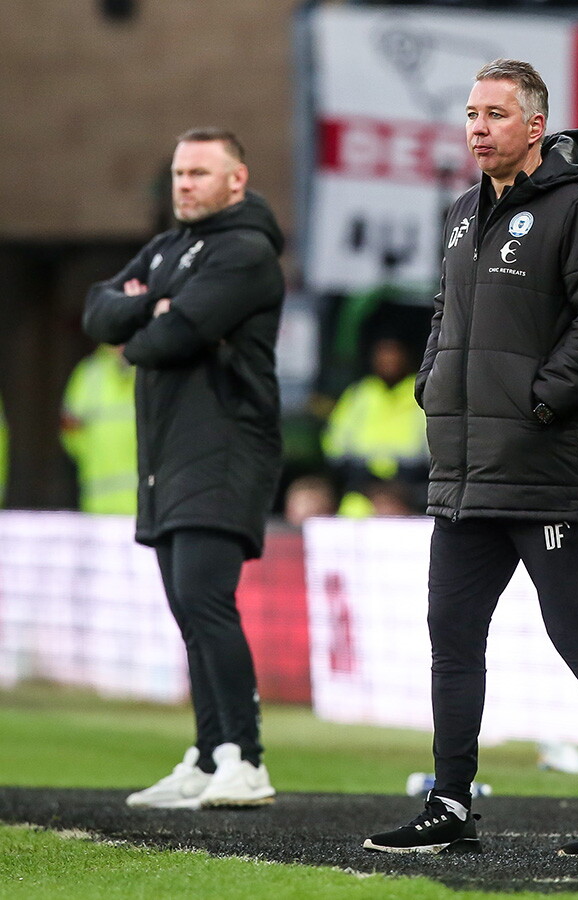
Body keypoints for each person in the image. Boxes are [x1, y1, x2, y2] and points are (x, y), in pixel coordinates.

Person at [363, 60, 578, 857]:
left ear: (534, 127)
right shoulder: (464, 210)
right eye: (470, 112)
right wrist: (434, 381)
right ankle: (450, 802)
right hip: (467, 473)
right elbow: (446, 313)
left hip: (544, 471)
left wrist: (541, 400)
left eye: (494, 114)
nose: (476, 126)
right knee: (451, 634)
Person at [83, 127, 285, 809]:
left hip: (225, 446)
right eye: (178, 173)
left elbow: (170, 339)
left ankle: (245, 758)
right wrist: (150, 306)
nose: (185, 184)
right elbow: (96, 310)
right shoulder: (169, 249)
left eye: (200, 172)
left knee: (204, 599)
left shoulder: (247, 252)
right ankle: (206, 755)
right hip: (169, 455)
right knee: (187, 609)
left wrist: (147, 323)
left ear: (237, 179)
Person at [322, 335, 429, 515]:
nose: (388, 359)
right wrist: (361, 476)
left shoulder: (422, 393)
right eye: (382, 353)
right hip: (362, 491)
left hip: (409, 492)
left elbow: (434, 449)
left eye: (394, 352)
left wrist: (403, 479)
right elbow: (334, 445)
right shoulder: (359, 394)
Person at [61, 344, 137, 515]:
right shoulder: (90, 372)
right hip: (98, 506)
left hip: (147, 508)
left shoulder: (153, 369)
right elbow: (70, 429)